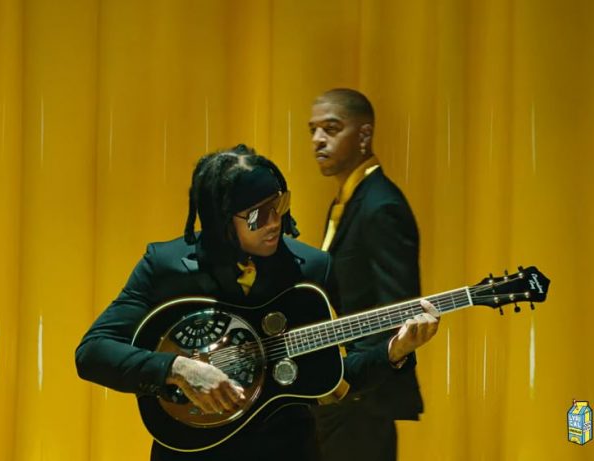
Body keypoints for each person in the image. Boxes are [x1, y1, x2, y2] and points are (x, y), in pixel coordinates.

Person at [75, 145, 331, 461]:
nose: (274, 222)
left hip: (286, 449)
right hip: (191, 450)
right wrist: (176, 368)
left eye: (278, 204)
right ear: (221, 221)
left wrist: (385, 355)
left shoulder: (311, 268)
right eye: (256, 215)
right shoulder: (164, 266)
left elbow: (350, 364)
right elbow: (93, 351)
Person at [307, 88, 440, 461]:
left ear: (364, 135)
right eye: (313, 130)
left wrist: (353, 381)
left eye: (331, 128)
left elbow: (398, 310)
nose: (318, 140)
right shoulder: (349, 201)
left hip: (362, 402)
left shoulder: (381, 206)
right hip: (338, 397)